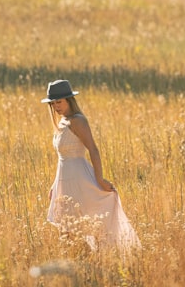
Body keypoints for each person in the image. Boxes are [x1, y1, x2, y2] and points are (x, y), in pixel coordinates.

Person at [41, 79, 140, 252]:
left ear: (69, 100)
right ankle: (88, 264)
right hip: (65, 180)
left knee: (83, 227)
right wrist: (55, 185)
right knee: (66, 232)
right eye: (53, 103)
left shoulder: (78, 121)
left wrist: (100, 179)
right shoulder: (62, 122)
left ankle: (98, 262)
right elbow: (61, 158)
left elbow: (93, 149)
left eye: (59, 102)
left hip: (80, 178)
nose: (56, 106)